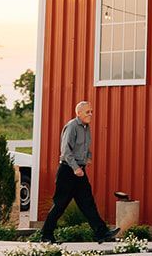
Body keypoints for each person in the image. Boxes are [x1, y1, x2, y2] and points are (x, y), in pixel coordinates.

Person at [40, 100, 118, 244]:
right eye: (88, 112)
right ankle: (46, 235)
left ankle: (101, 233)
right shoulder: (72, 126)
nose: (91, 114)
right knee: (60, 204)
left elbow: (86, 147)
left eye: (91, 111)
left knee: (88, 202)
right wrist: (75, 167)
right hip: (68, 171)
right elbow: (65, 150)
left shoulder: (86, 127)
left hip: (79, 171)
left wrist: (88, 158)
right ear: (79, 113)